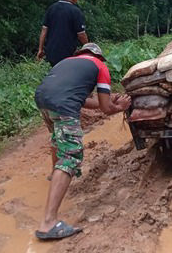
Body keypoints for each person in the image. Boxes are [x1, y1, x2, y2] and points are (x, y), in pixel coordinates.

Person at [34, 43, 131, 240]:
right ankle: (49, 223)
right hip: (63, 104)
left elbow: (82, 99)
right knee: (70, 155)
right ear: (100, 57)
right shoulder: (100, 67)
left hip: (42, 99)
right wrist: (119, 107)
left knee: (57, 138)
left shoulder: (66, 62)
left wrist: (108, 101)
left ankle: (55, 175)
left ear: (81, 53)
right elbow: (106, 109)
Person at [37, 0, 88, 67]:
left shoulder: (52, 8)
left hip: (50, 54)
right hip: (67, 55)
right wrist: (88, 48)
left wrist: (40, 50)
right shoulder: (75, 11)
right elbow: (81, 35)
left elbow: (44, 31)